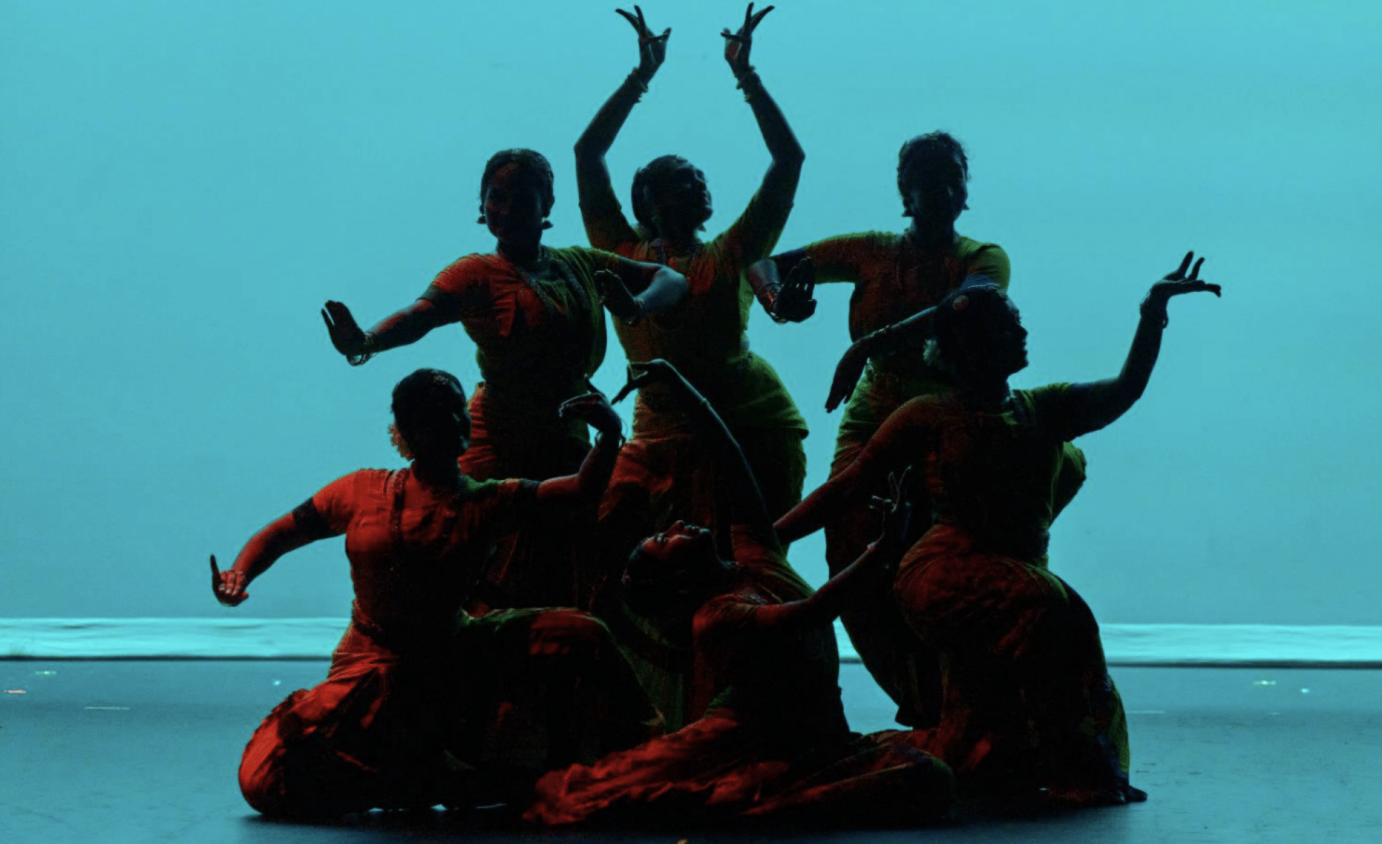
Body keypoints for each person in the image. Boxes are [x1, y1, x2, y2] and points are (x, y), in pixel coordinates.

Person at [776, 254, 1220, 805]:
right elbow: (845, 489)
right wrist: (772, 537)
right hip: (944, 574)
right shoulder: (927, 414)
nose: (1024, 330)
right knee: (1057, 611)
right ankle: (1074, 774)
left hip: (1011, 572)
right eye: (1009, 324)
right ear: (976, 343)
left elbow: (1125, 388)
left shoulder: (1044, 408)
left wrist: (1152, 313)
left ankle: (994, 765)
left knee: (979, 719)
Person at [213, 369, 662, 818]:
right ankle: (435, 779)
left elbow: (579, 491)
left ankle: (651, 747)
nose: (456, 422)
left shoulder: (485, 501)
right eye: (438, 416)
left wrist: (608, 436)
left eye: (458, 410)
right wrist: (240, 574)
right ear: (411, 432)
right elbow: (281, 532)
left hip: (453, 648)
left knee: (580, 633)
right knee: (267, 780)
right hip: (372, 664)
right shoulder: (362, 490)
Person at [745, 132, 1083, 726]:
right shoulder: (869, 250)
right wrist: (778, 301)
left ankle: (980, 687)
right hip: (876, 411)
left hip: (954, 414)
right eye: (929, 179)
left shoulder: (983, 257)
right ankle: (917, 696)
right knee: (849, 542)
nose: (945, 190)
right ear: (906, 190)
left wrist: (867, 344)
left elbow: (968, 302)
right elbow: (763, 264)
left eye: (954, 177)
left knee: (953, 547)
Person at [527, 361, 954, 827]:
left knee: (931, 773)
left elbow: (730, 461)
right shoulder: (716, 616)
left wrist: (678, 382)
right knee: (613, 788)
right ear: (681, 582)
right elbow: (811, 612)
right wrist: (883, 549)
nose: (674, 525)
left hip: (816, 736)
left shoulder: (753, 555)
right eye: (665, 541)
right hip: (741, 737)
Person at [321, 149, 687, 610]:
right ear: (483, 205)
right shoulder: (475, 273)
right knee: (477, 571)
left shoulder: (578, 264)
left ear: (546, 205)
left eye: (522, 198)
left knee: (569, 572)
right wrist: (366, 341)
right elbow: (422, 315)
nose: (508, 210)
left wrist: (637, 307)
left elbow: (670, 279)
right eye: (497, 198)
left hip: (565, 436)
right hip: (499, 442)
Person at [574, 5, 807, 728]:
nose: (695, 188)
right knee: (615, 559)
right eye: (678, 182)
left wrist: (748, 76)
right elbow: (588, 157)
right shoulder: (621, 250)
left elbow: (788, 162)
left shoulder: (730, 253)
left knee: (746, 569)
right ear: (647, 202)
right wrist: (639, 76)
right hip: (660, 436)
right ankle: (643, 709)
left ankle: (746, 709)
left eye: (698, 180)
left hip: (749, 432)